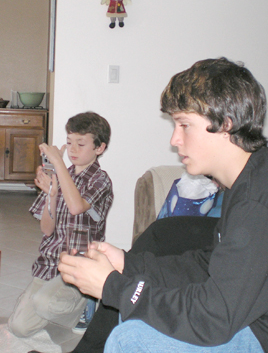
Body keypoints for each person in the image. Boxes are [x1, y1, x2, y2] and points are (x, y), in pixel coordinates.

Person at [59, 57, 268, 352]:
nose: (174, 139)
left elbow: (213, 318)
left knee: (130, 338)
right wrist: (128, 264)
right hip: (244, 315)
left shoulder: (256, 200)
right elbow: (210, 265)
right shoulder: (248, 180)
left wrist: (114, 288)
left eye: (184, 125)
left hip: (257, 330)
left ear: (227, 124)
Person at [8, 111, 114, 337]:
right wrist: (52, 195)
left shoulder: (100, 180)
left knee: (44, 302)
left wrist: (57, 162)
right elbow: (46, 229)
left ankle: (83, 307)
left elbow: (76, 206)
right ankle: (58, 309)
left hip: (79, 264)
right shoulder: (61, 175)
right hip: (51, 262)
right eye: (69, 143)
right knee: (19, 327)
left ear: (100, 148)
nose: (73, 150)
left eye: (81, 143)